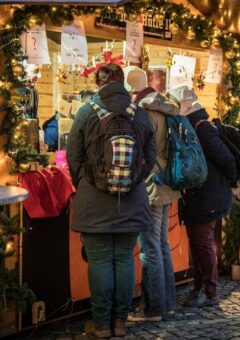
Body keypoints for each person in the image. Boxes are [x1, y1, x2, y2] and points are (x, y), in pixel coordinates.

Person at [67, 63, 155, 338]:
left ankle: (101, 324)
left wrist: (86, 181)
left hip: (94, 200)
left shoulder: (85, 112)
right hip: (132, 198)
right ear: (122, 83)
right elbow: (151, 156)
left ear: (98, 84)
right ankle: (120, 322)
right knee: (125, 259)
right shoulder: (139, 114)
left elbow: (73, 156)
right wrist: (135, 178)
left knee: (100, 260)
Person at [169, 85, 236, 307]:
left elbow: (227, 159)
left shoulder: (202, 128)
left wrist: (224, 184)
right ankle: (200, 289)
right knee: (199, 244)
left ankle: (210, 291)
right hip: (201, 196)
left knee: (203, 244)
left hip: (207, 197)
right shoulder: (191, 126)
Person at [124, 66, 180, 322]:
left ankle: (153, 308)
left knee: (149, 247)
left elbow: (139, 153)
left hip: (151, 183)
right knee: (161, 243)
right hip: (167, 180)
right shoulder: (164, 106)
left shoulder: (143, 112)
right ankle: (167, 303)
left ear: (128, 86)